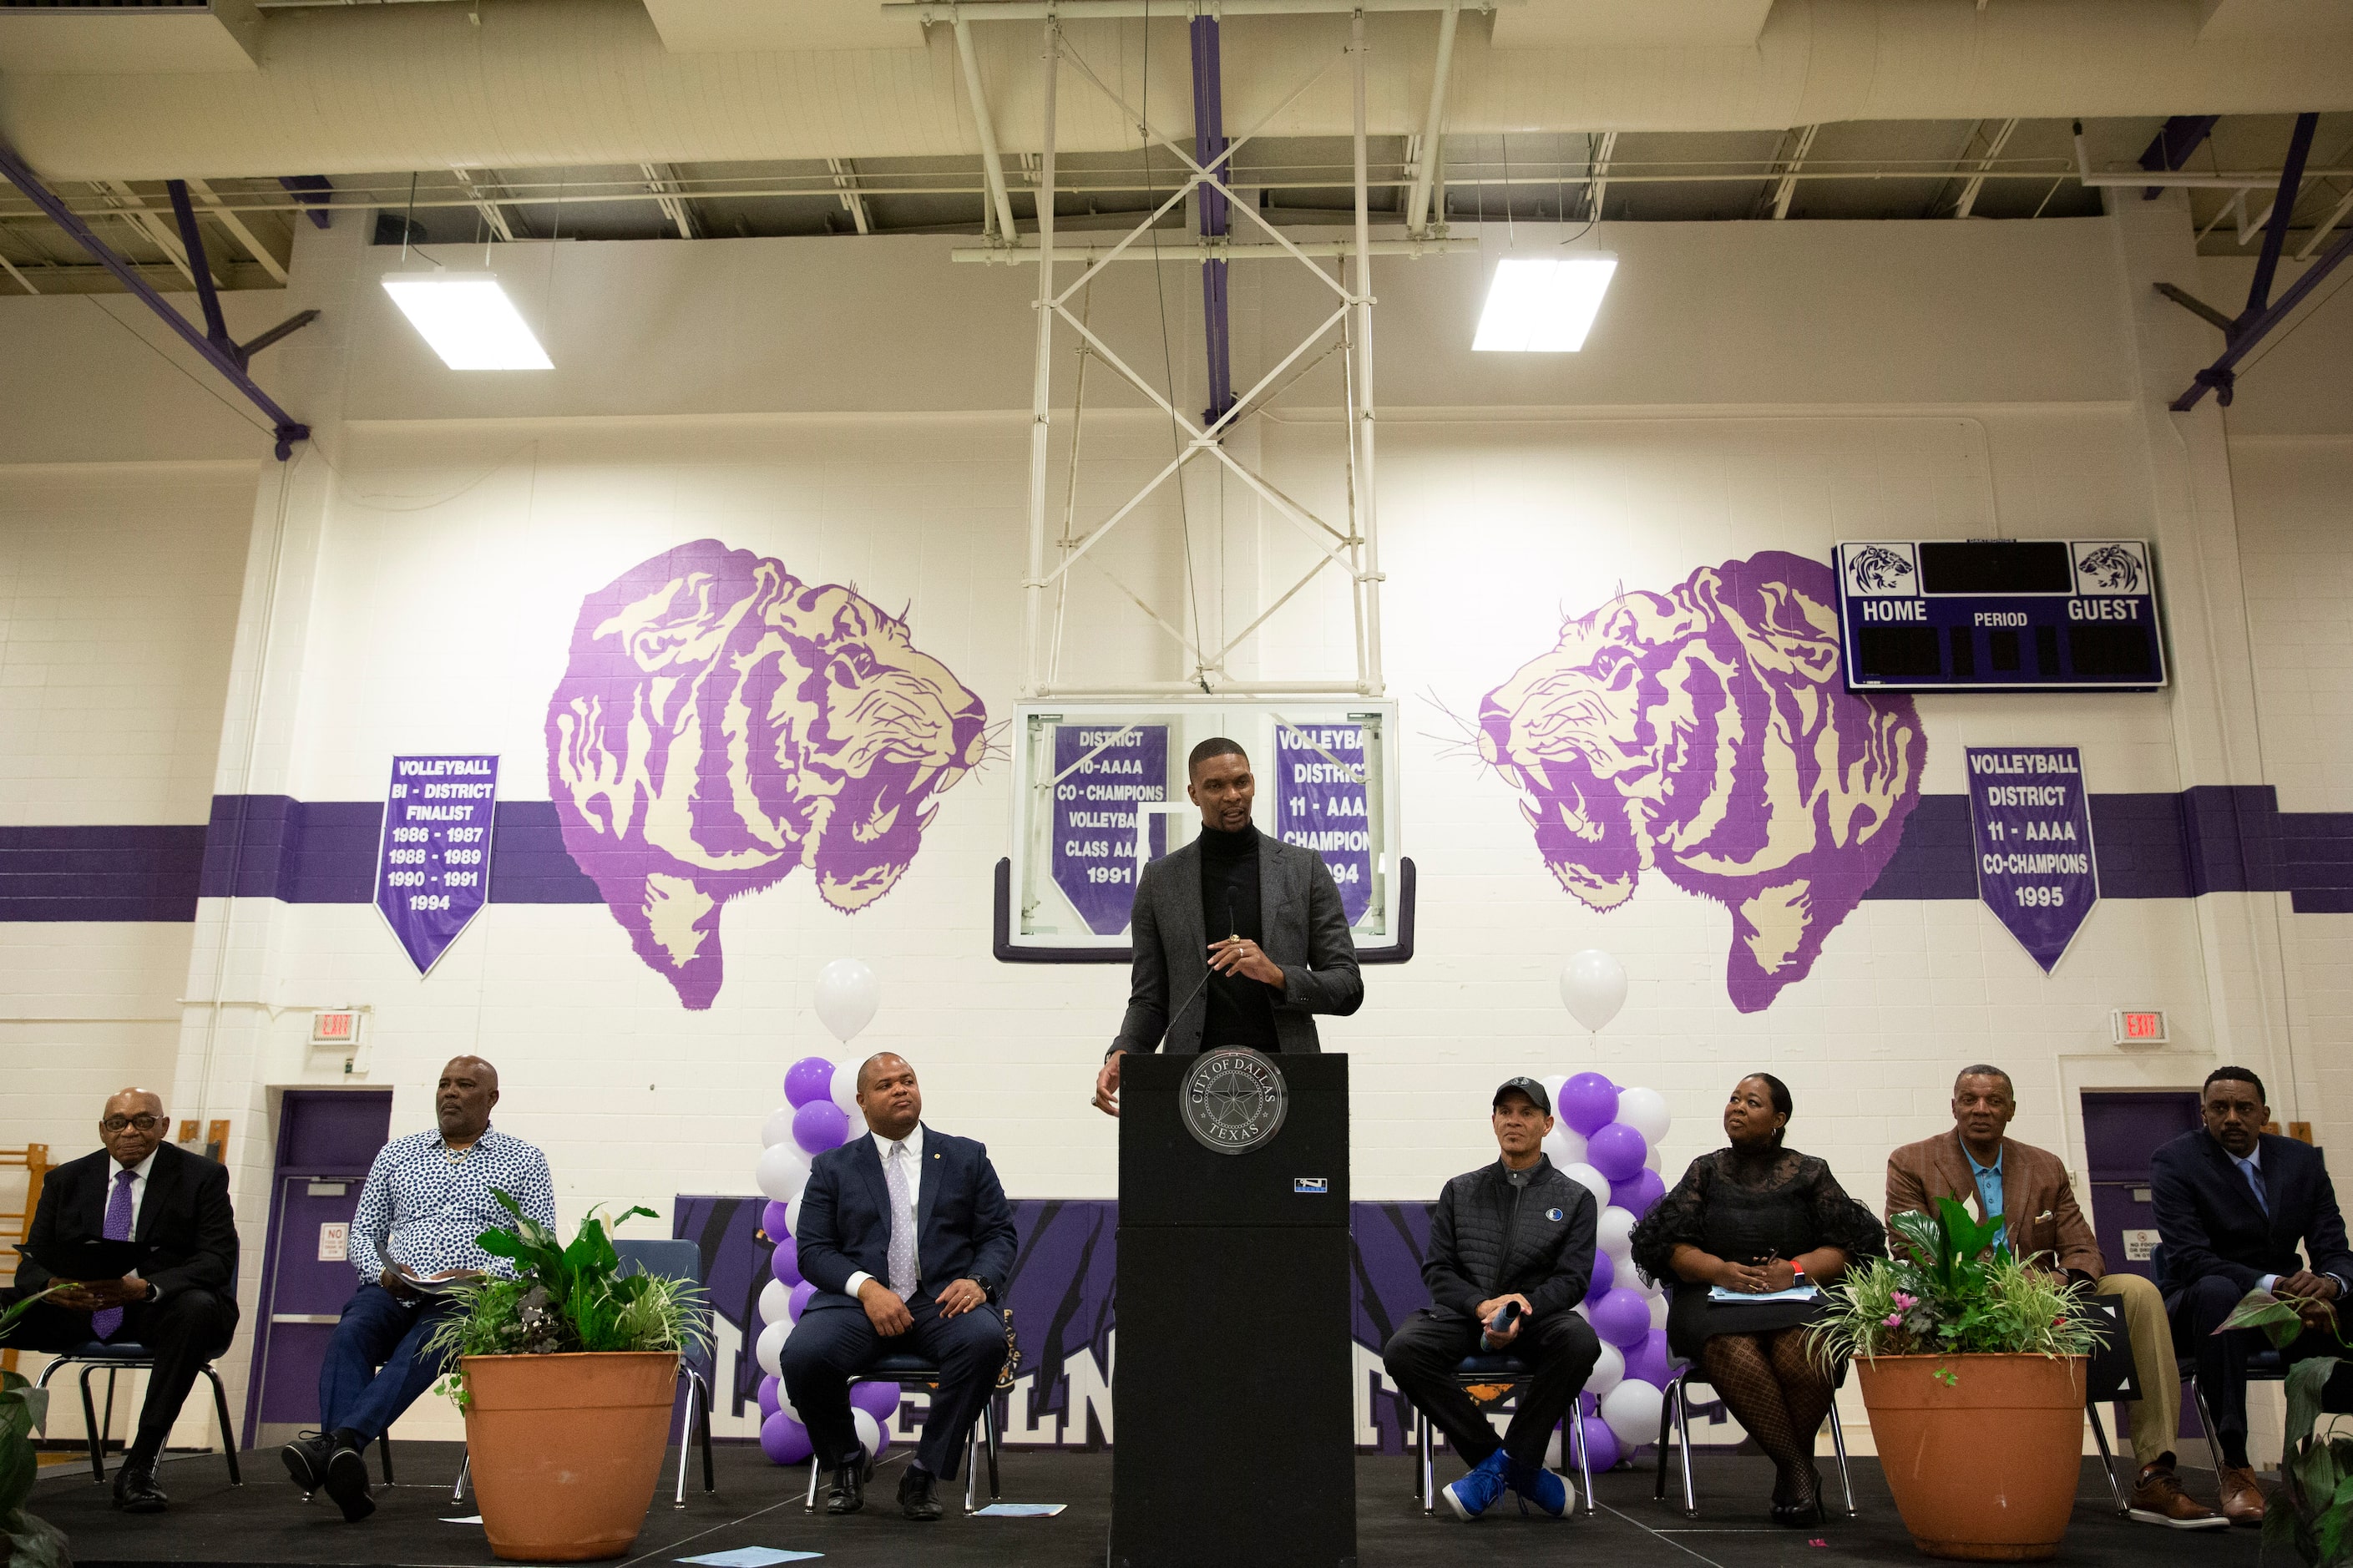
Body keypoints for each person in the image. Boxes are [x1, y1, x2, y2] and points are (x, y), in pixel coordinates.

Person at [1885, 1065, 2219, 1528]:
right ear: (1955, 1105)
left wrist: (2060, 1279)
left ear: (2011, 1110)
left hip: (2047, 1297)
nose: (1981, 1109)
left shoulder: (2044, 1166)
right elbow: (1908, 1243)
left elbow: (2084, 1247)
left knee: (2138, 1291)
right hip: (1960, 1300)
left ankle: (2154, 1473)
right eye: (1969, 1099)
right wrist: (1985, 1284)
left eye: (1994, 1100)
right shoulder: (1913, 1161)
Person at [281, 1055, 554, 1523]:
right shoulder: (397, 1154)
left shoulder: (524, 1160)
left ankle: (339, 1445)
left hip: (468, 1298)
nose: (450, 1092)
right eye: (444, 1084)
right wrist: (382, 1270)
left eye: (465, 1085)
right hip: (395, 1288)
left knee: (422, 1345)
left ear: (492, 1099)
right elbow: (364, 1233)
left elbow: (539, 1248)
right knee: (351, 1333)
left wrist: (487, 1279)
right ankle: (344, 1455)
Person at [1630, 1073, 1885, 1527]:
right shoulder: (1705, 1171)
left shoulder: (1810, 1172)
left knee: (1807, 1349)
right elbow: (1667, 1247)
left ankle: (1793, 1473)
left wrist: (1795, 1268)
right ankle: (1799, 1470)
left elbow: (1849, 1247)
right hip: (1712, 1298)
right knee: (1734, 1349)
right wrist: (1719, 1269)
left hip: (1793, 1293)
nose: (1738, 1108)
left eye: (1752, 1102)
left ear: (1779, 1118)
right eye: (1733, 1099)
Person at [783, 1052, 1018, 1520]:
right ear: (862, 1102)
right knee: (803, 1357)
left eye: (907, 1080)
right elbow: (812, 1250)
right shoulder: (833, 1167)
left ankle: (925, 1471)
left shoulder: (965, 1156)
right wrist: (868, 1289)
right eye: (886, 1085)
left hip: (940, 1302)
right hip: (859, 1305)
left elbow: (998, 1235)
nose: (900, 1090)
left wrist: (977, 1281)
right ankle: (847, 1461)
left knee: (985, 1342)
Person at [1092, 736, 1362, 1115]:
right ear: (1194, 793)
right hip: (1191, 1086)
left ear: (1253, 782)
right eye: (1215, 786)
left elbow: (1348, 987)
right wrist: (1125, 1050)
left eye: (1242, 782)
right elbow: (1150, 998)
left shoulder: (1304, 870)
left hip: (1290, 1080)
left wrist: (1277, 975)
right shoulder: (1161, 881)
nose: (1233, 795)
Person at [0, 1089, 238, 1514]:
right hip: (77, 1307)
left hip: (157, 1309)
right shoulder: (65, 1180)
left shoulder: (201, 1176)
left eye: (143, 1121)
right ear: (103, 1130)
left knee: (198, 1307)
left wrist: (144, 1286)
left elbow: (217, 1260)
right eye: (118, 1123)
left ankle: (140, 1467)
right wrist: (57, 1286)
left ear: (163, 1127)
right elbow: (30, 1267)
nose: (130, 1131)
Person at [1381, 1077, 1602, 1521]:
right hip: (1466, 1315)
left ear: (1546, 1124)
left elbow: (1573, 1278)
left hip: (1535, 1317)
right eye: (1505, 1112)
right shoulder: (1460, 1190)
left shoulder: (1575, 1198)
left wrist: (1519, 1308)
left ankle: (1500, 1469)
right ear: (1494, 1120)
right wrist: (1483, 1307)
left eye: (1526, 1113)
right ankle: (1512, 1467)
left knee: (1580, 1342)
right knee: (1403, 1350)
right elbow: (1438, 1270)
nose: (1514, 1121)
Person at [2153, 1065, 2353, 1527]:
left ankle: (2331, 1459)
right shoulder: (2175, 1161)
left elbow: (2334, 1248)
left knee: (2348, 1292)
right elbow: (2187, 1257)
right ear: (2203, 1114)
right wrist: (2273, 1284)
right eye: (2219, 1108)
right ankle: (2238, 1466)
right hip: (2201, 1303)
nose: (2232, 1118)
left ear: (2264, 1113)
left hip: (2286, 1303)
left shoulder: (2301, 1161)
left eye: (2244, 1108)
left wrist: (2328, 1284)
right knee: (2219, 1291)